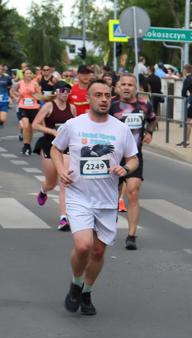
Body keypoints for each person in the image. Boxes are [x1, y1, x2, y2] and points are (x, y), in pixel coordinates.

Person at [51, 80, 138, 316]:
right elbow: (56, 149)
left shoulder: (121, 129)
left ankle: (86, 291)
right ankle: (75, 282)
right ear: (88, 98)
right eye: (97, 95)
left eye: (107, 95)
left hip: (107, 199)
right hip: (79, 195)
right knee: (83, 245)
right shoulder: (73, 125)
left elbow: (133, 158)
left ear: (112, 97)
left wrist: (125, 169)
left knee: (98, 251)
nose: (103, 99)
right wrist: (60, 170)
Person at [110, 74, 157, 250]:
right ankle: (108, 224)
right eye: (124, 84)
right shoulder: (111, 105)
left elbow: (152, 120)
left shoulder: (144, 105)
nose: (127, 87)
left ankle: (131, 235)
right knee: (112, 195)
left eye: (130, 84)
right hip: (113, 156)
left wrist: (149, 132)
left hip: (134, 156)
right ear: (118, 87)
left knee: (133, 193)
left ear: (135, 87)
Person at [32, 80, 77, 230]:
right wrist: (53, 132)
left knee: (64, 182)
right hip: (49, 145)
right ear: (56, 91)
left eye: (68, 91)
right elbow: (35, 124)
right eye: (63, 90)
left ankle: (64, 218)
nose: (65, 93)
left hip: (65, 148)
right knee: (51, 183)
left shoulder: (72, 108)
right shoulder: (49, 106)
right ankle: (43, 190)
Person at [11, 67, 43, 155]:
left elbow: (40, 96)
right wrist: (17, 97)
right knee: (25, 126)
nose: (29, 75)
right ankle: (25, 145)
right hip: (23, 107)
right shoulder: (19, 83)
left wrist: (33, 94)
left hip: (33, 108)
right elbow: (12, 90)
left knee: (30, 128)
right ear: (24, 75)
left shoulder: (35, 84)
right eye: (27, 73)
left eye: (30, 73)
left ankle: (28, 145)